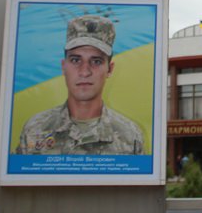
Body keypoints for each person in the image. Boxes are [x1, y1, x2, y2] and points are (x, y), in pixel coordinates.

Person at [16, 15, 144, 155]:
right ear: (64, 67)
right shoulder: (35, 130)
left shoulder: (130, 137)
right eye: (76, 60)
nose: (84, 71)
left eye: (96, 61)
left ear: (110, 69)